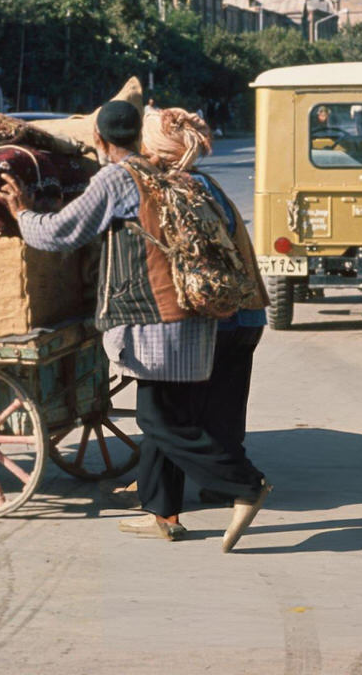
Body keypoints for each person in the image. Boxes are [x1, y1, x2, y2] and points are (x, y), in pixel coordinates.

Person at [0, 101, 272, 546]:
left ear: (101, 142)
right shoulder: (170, 174)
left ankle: (246, 484)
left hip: (156, 319)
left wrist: (22, 213)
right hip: (194, 316)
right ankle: (164, 514)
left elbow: (60, 233)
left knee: (158, 419)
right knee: (172, 413)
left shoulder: (118, 177)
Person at [141, 108, 270, 507]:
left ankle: (238, 483)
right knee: (226, 408)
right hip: (249, 311)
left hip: (218, 318)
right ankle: (221, 486)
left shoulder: (175, 190)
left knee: (178, 415)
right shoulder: (207, 182)